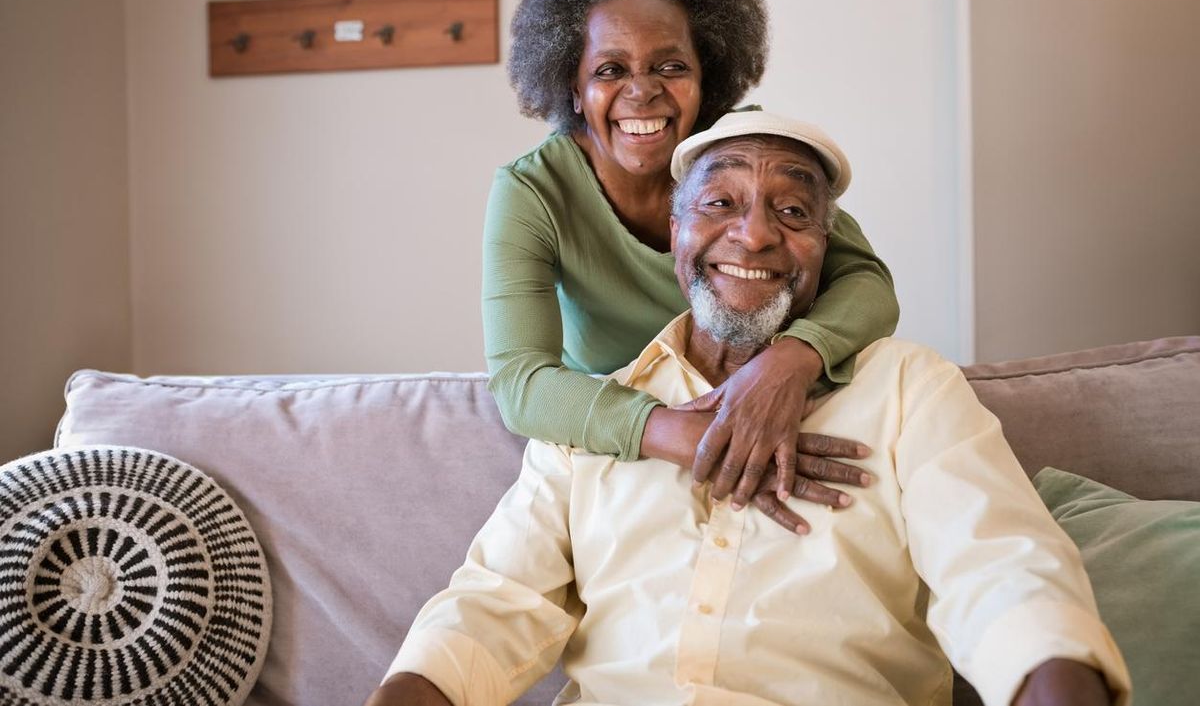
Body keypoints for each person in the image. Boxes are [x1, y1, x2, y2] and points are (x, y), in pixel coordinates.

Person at [366, 111, 1131, 706]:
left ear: (826, 247)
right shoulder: (591, 419)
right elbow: (495, 601)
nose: (756, 232)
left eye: (793, 212)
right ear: (676, 230)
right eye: (722, 202)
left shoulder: (906, 389)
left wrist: (1053, 673)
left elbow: (998, 566)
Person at [485, 0, 900, 519]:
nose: (642, 92)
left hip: (767, 409)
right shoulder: (533, 190)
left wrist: (788, 366)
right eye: (609, 71)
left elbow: (868, 283)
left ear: (707, 81)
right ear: (572, 87)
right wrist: (689, 436)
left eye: (670, 66)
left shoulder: (743, 153)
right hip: (622, 442)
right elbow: (521, 383)